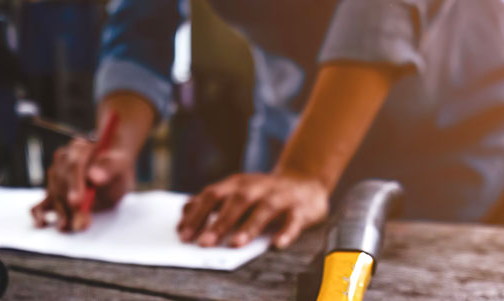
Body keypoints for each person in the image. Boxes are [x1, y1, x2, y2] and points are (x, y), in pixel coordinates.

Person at [32, 0, 504, 249]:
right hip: (286, 133)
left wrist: (307, 171)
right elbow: (140, 21)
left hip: (443, 134)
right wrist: (116, 143)